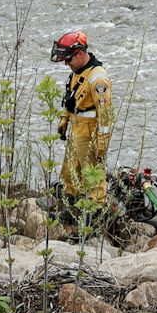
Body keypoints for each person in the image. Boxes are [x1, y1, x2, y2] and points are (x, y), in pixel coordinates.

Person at [50, 30, 114, 210]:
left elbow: (106, 114)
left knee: (92, 171)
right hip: (77, 127)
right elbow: (71, 99)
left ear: (79, 54)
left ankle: (95, 209)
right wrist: (64, 119)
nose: (65, 63)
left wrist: (101, 143)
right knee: (70, 168)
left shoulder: (98, 79)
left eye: (68, 59)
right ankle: (71, 200)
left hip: (90, 130)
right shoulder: (78, 72)